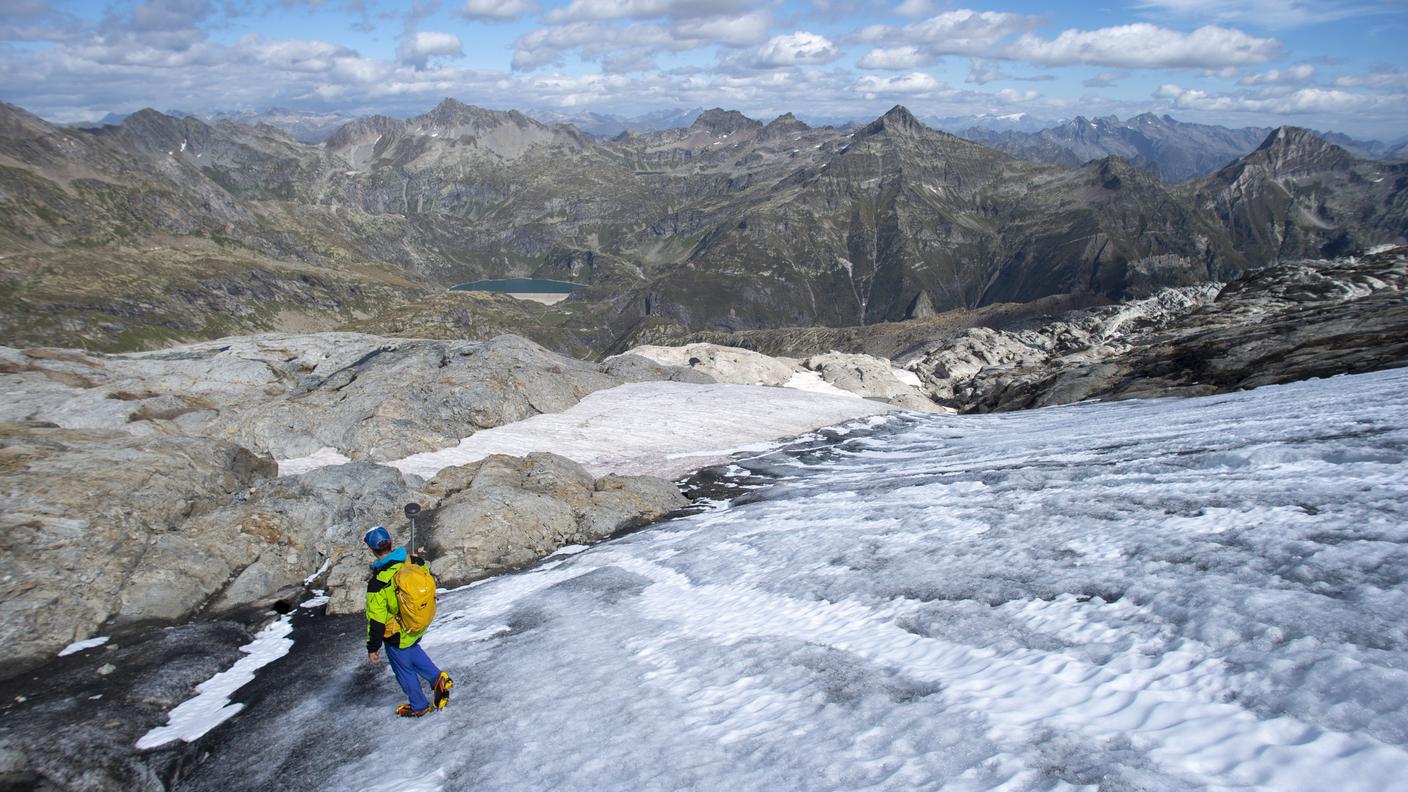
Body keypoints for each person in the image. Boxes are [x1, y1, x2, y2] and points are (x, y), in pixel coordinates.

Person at [363, 525, 453, 717]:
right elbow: (425, 571)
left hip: (397, 631)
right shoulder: (413, 561)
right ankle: (438, 679)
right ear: (390, 543)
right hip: (419, 620)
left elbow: (376, 620)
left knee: (403, 670)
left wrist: (373, 647)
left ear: (371, 550)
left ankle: (419, 706)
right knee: (412, 649)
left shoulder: (378, 583)